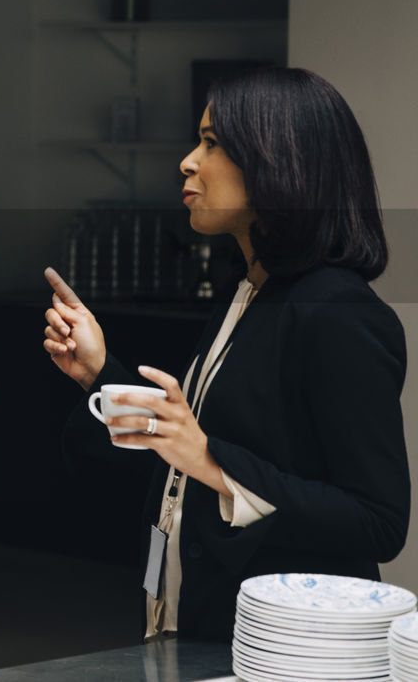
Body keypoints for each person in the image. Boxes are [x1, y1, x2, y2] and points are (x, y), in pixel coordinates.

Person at [42, 67, 409, 642]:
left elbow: (377, 521)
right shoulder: (248, 291)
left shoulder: (337, 311)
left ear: (278, 162)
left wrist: (212, 459)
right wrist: (99, 375)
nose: (188, 161)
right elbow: (188, 453)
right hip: (195, 624)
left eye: (211, 144)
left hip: (287, 652)